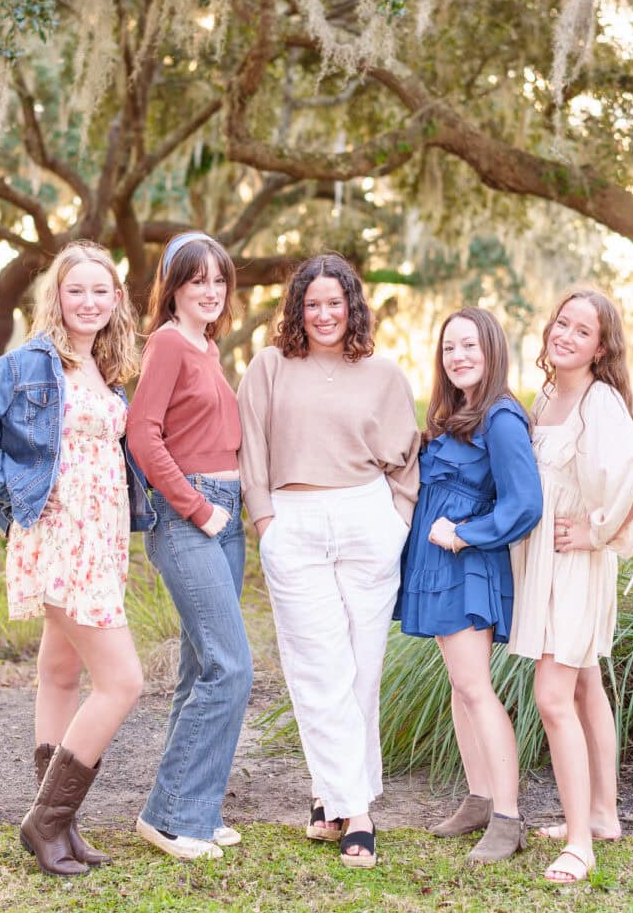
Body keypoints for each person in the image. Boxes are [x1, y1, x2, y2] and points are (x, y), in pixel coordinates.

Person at [0, 241, 153, 877]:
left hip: (101, 539)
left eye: (100, 290)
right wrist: (16, 494)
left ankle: (61, 824)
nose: (88, 302)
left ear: (117, 299)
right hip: (62, 538)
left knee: (60, 673)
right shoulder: (33, 362)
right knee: (123, 682)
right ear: (55, 297)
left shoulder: (102, 369)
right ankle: (47, 821)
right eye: (75, 290)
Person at [237, 253, 420, 870]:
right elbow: (251, 450)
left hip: (368, 520)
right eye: (311, 304)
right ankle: (358, 812)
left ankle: (330, 798)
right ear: (297, 308)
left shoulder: (384, 373)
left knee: (362, 668)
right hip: (295, 520)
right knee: (317, 669)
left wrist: (396, 519)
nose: (323, 314)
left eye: (334, 303)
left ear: (352, 306)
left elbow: (406, 458)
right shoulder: (269, 367)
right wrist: (265, 520)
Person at [508, 287, 633, 884]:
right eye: (562, 323)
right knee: (584, 684)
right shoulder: (548, 395)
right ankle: (601, 815)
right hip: (544, 560)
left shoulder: (599, 401)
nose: (565, 335)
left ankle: (578, 845)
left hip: (574, 563)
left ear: (601, 348)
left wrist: (597, 533)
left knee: (552, 695)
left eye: (582, 331)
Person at [396, 307, 543, 864]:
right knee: (462, 686)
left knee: (476, 688)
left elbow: (525, 503)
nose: (458, 357)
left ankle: (508, 818)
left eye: (469, 347)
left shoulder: (501, 418)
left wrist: (465, 534)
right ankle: (480, 798)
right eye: (449, 348)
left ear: (492, 352)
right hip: (436, 568)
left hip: (467, 567)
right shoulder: (453, 413)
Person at [128, 231, 251, 860]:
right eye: (197, 279)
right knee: (233, 668)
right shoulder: (169, 344)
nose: (210, 290)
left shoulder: (207, 347)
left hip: (225, 521)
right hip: (189, 520)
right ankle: (169, 816)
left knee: (202, 669)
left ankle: (197, 804)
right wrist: (200, 509)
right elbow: (143, 437)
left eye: (219, 280)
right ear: (173, 287)